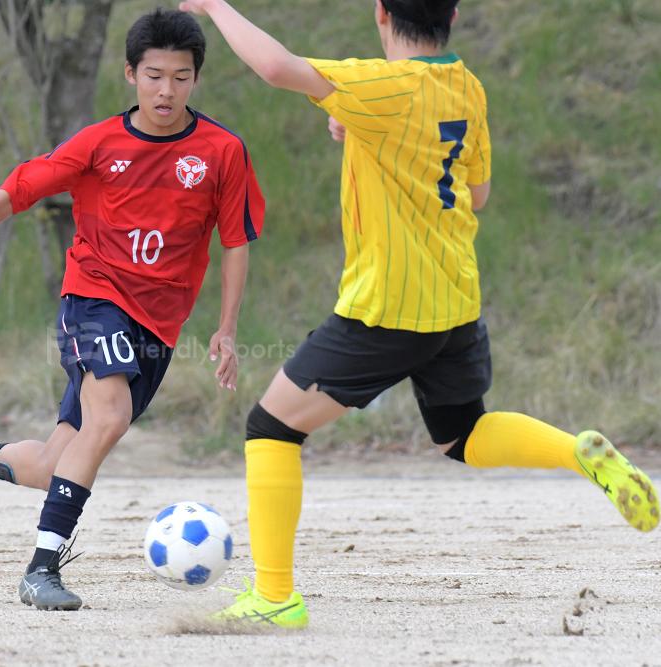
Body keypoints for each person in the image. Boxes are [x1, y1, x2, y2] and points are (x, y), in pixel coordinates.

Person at [178, 0, 658, 629]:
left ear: (381, 13)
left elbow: (276, 67)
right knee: (463, 435)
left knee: (271, 428)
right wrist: (367, 134)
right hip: (455, 301)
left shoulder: (384, 85)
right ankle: (578, 451)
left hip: (387, 308)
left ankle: (274, 598)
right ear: (452, 15)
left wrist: (215, 5)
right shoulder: (466, 85)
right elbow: (477, 194)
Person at [0, 8, 264, 611]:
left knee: (56, 463)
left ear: (196, 79)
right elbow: (26, 185)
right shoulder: (100, 143)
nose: (166, 90)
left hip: (158, 324)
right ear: (131, 74)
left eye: (180, 78)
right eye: (154, 76)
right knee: (108, 419)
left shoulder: (222, 151)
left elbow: (235, 242)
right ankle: (41, 569)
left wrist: (227, 327)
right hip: (95, 297)